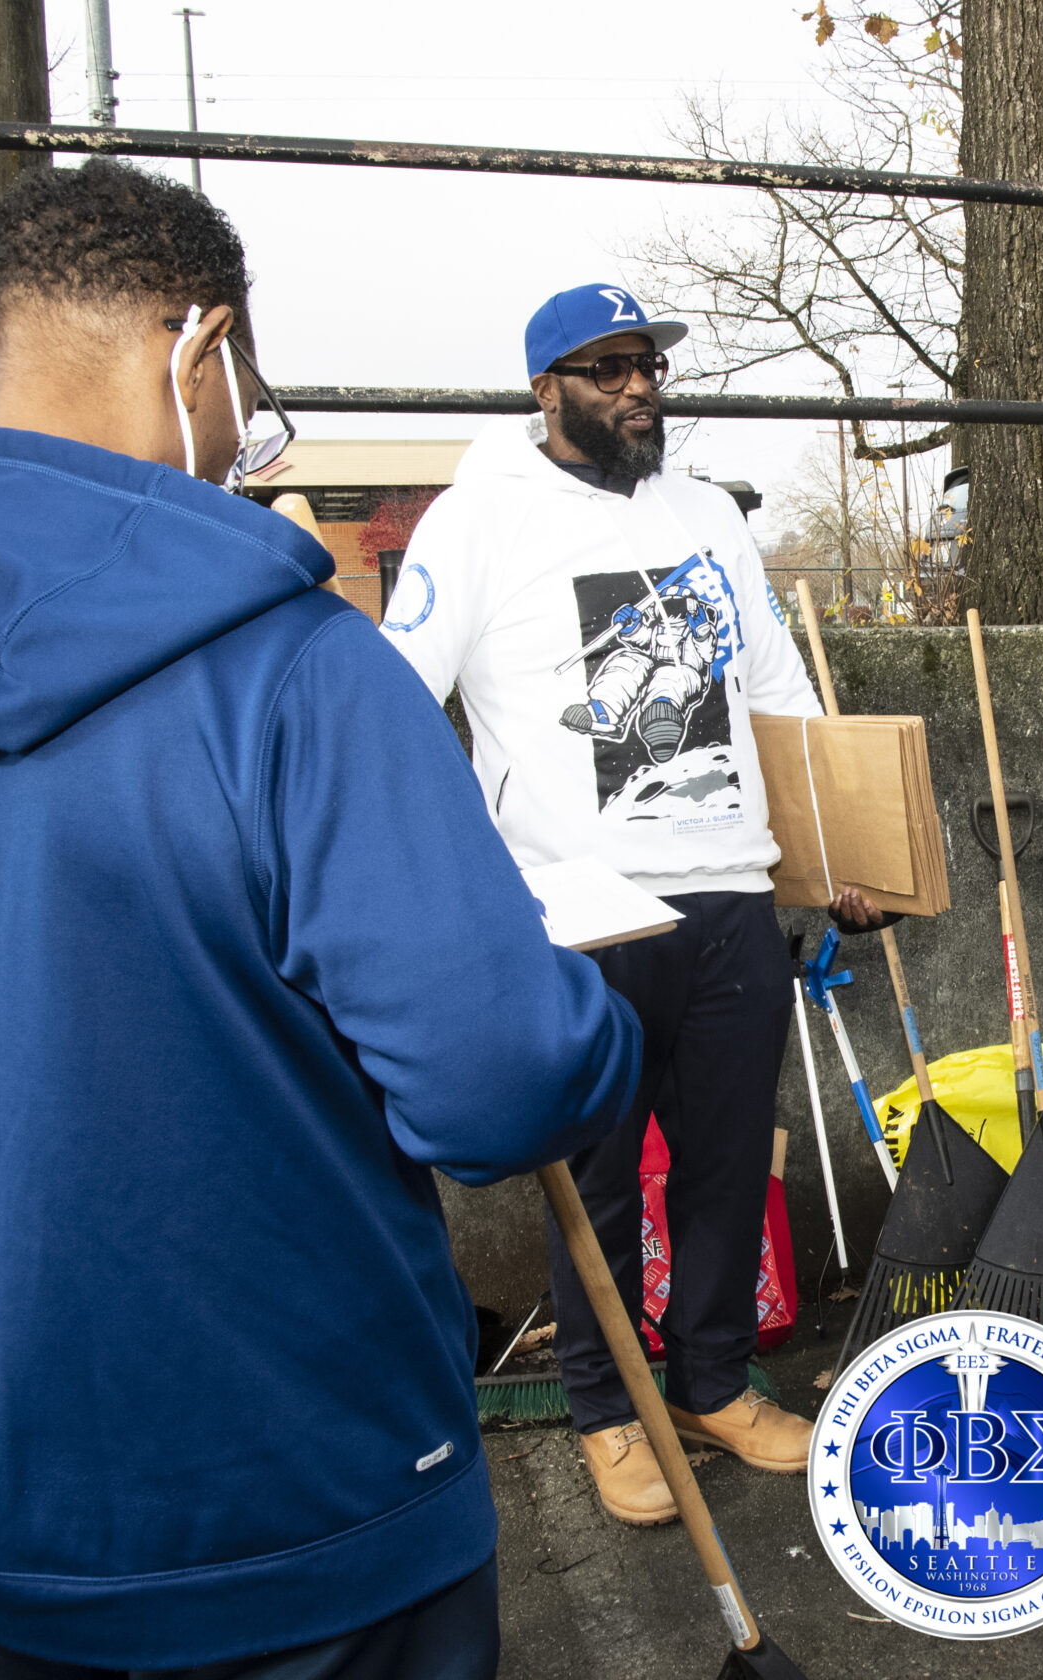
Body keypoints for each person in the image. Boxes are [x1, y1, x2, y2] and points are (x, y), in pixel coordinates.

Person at [0, 158, 640, 1678]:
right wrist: (582, 1014)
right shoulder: (305, 676)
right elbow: (499, 1084)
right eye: (244, 380)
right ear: (193, 354)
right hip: (322, 1520)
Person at [385, 281, 872, 1528]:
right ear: (546, 387)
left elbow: (776, 689)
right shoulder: (475, 520)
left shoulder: (706, 512)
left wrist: (832, 851)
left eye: (647, 363)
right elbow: (396, 700)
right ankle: (607, 1411)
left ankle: (713, 1380)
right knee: (595, 1181)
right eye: (607, 370)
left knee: (720, 1162)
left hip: (729, 889)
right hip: (584, 916)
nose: (639, 387)